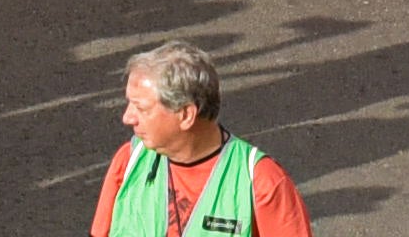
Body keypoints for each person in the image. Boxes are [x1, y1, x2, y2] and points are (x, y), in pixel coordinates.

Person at [91, 43, 312, 237]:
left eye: (141, 108)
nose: (127, 117)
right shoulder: (128, 161)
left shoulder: (261, 182)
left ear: (186, 115)